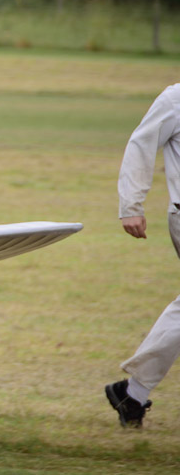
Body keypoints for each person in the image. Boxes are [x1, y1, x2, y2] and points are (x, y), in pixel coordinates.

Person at [106, 83, 180, 427]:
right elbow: (141, 143)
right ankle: (132, 393)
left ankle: (132, 394)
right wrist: (130, 205)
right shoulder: (175, 98)